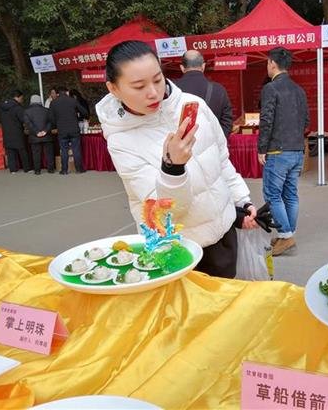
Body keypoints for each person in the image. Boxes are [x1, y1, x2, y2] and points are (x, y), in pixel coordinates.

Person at [96, 40, 257, 278]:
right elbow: (163, 211)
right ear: (114, 88)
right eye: (139, 86)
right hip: (177, 249)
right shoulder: (121, 141)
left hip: (223, 236)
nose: (153, 92)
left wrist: (241, 200)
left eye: (158, 79)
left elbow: (221, 159)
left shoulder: (195, 105)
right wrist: (173, 168)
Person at [257, 47, 310, 256]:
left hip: (277, 151)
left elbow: (266, 120)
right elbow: (307, 121)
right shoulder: (299, 90)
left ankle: (286, 236)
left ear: (272, 63)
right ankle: (287, 235)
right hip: (297, 149)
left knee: (272, 194)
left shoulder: (271, 89)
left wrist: (262, 148)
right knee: (290, 194)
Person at [175, 50, 233, 137]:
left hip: (181, 146)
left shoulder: (172, 90)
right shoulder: (219, 90)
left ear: (182, 68)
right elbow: (227, 121)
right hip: (211, 146)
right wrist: (217, 141)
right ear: (203, 66)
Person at [49, 86, 88, 174]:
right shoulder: (73, 100)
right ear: (66, 92)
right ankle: (79, 169)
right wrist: (77, 117)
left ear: (58, 93)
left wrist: (57, 124)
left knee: (63, 150)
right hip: (74, 129)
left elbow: (51, 118)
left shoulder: (53, 103)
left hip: (62, 130)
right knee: (76, 149)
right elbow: (84, 112)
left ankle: (64, 170)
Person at [0, 90, 30, 173]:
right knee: (22, 151)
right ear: (18, 97)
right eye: (21, 98)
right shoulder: (17, 108)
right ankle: (27, 168)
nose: (22, 100)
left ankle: (13, 170)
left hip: (6, 131)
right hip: (17, 131)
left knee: (10, 151)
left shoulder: (1, 107)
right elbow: (23, 119)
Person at [24, 94, 55, 174]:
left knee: (36, 154)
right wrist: (45, 131)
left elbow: (28, 124)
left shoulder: (27, 112)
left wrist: (36, 132)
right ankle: (50, 169)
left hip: (34, 136)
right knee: (49, 153)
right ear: (40, 101)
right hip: (47, 135)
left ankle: (37, 170)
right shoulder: (47, 110)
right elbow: (51, 122)